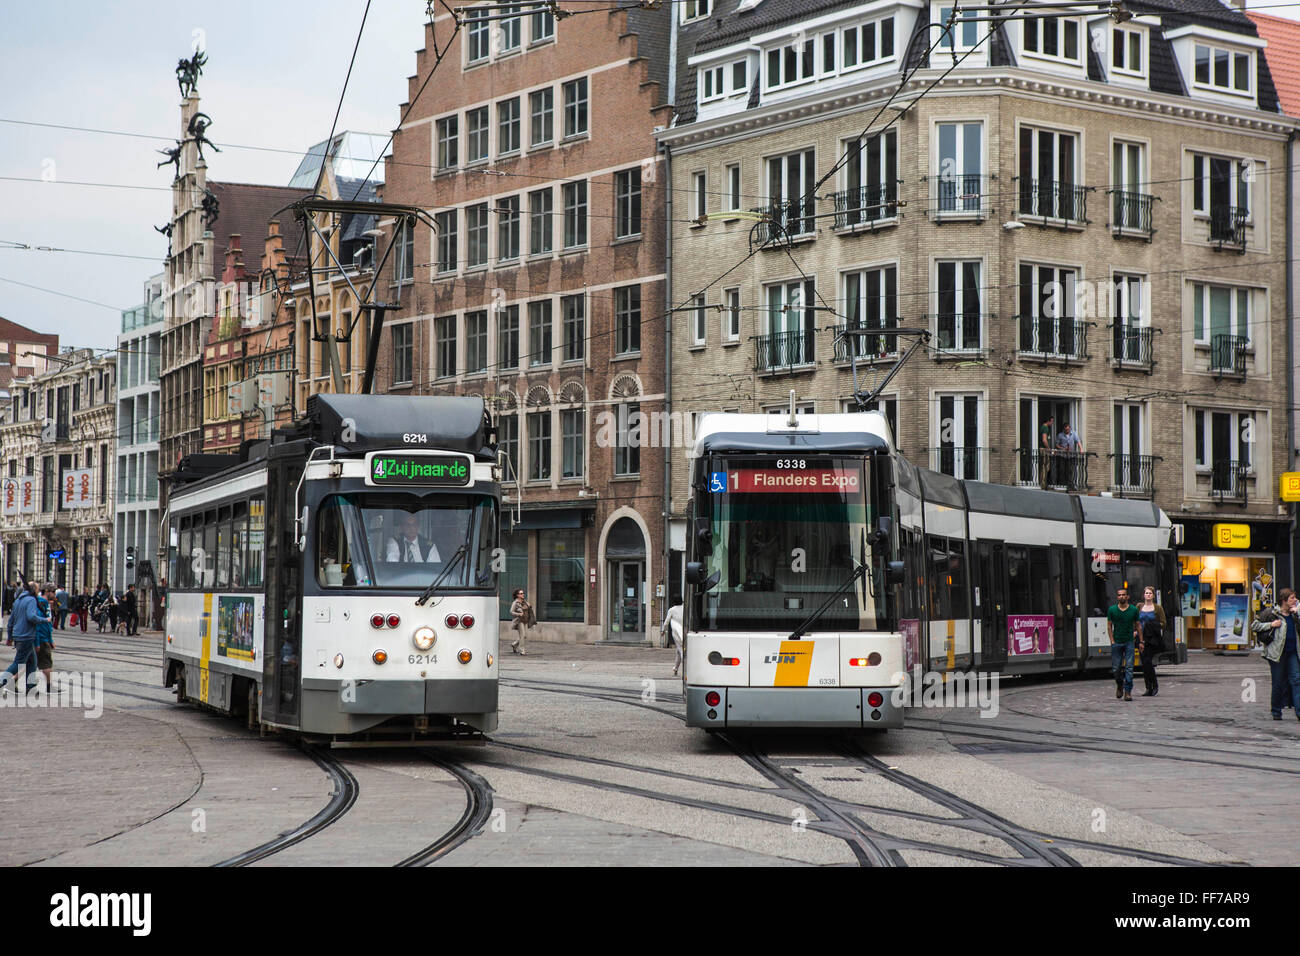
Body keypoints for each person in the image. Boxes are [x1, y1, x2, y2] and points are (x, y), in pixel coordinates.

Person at [1252, 587, 1300, 721]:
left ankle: (1299, 711)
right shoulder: (1272, 613)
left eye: (1295, 597)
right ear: (1284, 600)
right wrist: (1271, 624)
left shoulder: (1294, 614)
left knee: (1297, 680)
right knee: (1278, 682)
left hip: (1292, 653)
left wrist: (1298, 614)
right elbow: (1254, 626)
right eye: (1292, 598)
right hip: (1276, 654)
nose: (1294, 600)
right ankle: (1276, 711)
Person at [0, 583, 45, 694]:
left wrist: (10, 637)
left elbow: (11, 621)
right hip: (27, 636)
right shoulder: (31, 600)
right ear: (34, 590)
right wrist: (45, 620)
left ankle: (31, 686)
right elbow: (31, 616)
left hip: (18, 635)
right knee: (18, 662)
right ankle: (1, 681)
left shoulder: (18, 601)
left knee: (32, 661)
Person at [1107, 586, 1140, 701]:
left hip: (1129, 642)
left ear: (1127, 597)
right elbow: (1109, 625)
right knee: (1116, 669)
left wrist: (1141, 640)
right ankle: (1120, 685)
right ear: (1117, 597)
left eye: (1123, 595)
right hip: (1116, 642)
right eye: (1119, 595)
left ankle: (1128, 691)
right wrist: (1112, 640)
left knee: (1129, 668)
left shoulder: (1133, 610)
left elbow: (1138, 625)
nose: (1121, 596)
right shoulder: (1112, 610)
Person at [1136, 585, 1166, 697]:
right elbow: (1135, 621)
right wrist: (1135, 631)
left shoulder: (1158, 608)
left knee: (1148, 661)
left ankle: (1154, 685)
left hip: (1152, 639)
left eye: (1150, 593)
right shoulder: (1139, 607)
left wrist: (1152, 626)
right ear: (1143, 595)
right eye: (1146, 593)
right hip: (1141, 638)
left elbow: (1163, 623)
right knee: (1144, 663)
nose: (1148, 595)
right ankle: (1148, 687)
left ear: (1153, 595)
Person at [33, 586, 55, 692]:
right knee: (46, 663)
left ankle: (10, 682)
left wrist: (50, 639)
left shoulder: (44, 603)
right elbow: (39, 622)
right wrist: (42, 640)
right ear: (47, 591)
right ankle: (49, 687)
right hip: (41, 638)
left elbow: (48, 623)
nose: (55, 594)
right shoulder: (40, 603)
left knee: (27, 663)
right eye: (53, 592)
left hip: (43, 637)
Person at [661, 603, 684, 676]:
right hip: (685, 631)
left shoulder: (672, 610)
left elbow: (666, 622)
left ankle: (687, 668)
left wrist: (663, 630)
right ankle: (676, 668)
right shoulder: (685, 608)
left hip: (676, 632)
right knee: (678, 651)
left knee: (681, 649)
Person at [509, 588, 533, 656]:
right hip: (519, 621)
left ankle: (514, 644)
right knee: (522, 636)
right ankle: (522, 650)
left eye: (523, 593)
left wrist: (529, 606)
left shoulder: (524, 602)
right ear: (517, 595)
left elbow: (528, 609)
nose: (523, 594)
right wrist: (518, 614)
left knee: (524, 636)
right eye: (521, 593)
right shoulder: (515, 603)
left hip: (525, 620)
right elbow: (511, 612)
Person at [1038, 414, 1055, 488]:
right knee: (1045, 466)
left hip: (1044, 449)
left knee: (1045, 466)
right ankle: (1043, 483)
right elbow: (1044, 440)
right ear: (1048, 421)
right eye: (1051, 422)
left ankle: (1043, 482)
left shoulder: (1044, 427)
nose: (1052, 423)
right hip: (1044, 449)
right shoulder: (1045, 428)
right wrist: (1049, 449)